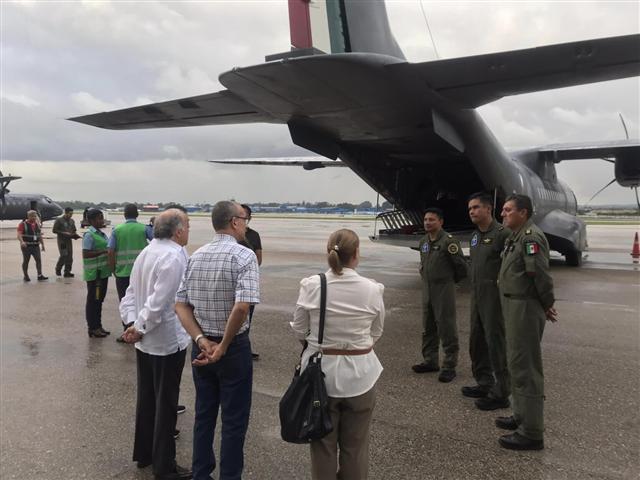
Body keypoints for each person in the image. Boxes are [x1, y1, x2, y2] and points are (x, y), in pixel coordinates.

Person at [291, 229, 384, 480]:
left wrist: (316, 345)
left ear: (329, 252)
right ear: (356, 254)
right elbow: (377, 331)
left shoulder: (312, 285)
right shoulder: (372, 290)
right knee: (355, 449)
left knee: (322, 447)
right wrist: (354, 347)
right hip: (361, 375)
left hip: (321, 376)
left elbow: (299, 329)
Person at [175, 201, 259, 480]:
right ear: (234, 222)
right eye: (245, 219)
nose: (246, 223)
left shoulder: (195, 256)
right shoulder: (244, 256)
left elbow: (181, 305)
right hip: (231, 348)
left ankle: (201, 473)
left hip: (202, 348)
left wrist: (201, 340)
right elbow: (242, 306)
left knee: (204, 415)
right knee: (234, 422)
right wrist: (222, 346)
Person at [120, 209, 192, 480]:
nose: (188, 230)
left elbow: (130, 295)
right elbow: (160, 303)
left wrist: (131, 324)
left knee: (148, 400)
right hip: (164, 342)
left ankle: (145, 454)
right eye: (187, 225)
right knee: (165, 404)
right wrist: (137, 328)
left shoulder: (147, 252)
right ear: (177, 230)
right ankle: (164, 465)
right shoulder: (173, 256)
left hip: (145, 340)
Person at [496, 194, 557, 451]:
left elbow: (540, 274)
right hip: (513, 305)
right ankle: (520, 415)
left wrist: (546, 303)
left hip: (524, 306)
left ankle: (532, 432)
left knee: (526, 367)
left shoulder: (531, 237)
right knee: (515, 362)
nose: (503, 214)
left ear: (523, 212)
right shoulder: (516, 236)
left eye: (508, 210)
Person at [462, 192, 511, 410]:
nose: (472, 211)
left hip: (495, 298)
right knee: (477, 341)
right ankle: (484, 382)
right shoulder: (475, 236)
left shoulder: (502, 234)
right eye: (470, 208)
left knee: (496, 343)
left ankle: (501, 392)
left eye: (476, 207)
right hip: (478, 297)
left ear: (488, 209)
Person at [412, 207, 467, 383]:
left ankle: (449, 365)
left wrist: (451, 282)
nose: (428, 222)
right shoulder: (424, 242)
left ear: (441, 222)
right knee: (427, 326)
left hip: (444, 288)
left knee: (446, 326)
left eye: (432, 219)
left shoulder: (449, 242)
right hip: (427, 288)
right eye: (426, 219)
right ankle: (430, 360)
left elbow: (461, 267)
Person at [108, 203, 152, 301]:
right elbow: (158, 244)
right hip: (141, 273)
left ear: (124, 215)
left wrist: (113, 269)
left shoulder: (116, 230)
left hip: (122, 273)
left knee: (125, 303)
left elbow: (110, 251)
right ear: (137, 214)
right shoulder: (145, 229)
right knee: (141, 302)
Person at [238, 204, 262, 360]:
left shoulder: (254, 235)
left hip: (247, 280)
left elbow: (259, 257)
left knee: (247, 316)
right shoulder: (230, 235)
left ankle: (244, 348)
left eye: (246, 217)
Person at [82, 208, 111, 338]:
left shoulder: (100, 233)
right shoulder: (89, 235)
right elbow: (86, 253)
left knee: (99, 300)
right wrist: (104, 252)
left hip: (102, 273)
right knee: (93, 301)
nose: (102, 220)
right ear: (92, 220)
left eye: (102, 217)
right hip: (95, 274)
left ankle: (98, 326)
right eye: (99, 218)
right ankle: (93, 328)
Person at [17, 210, 48, 282]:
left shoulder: (37, 224)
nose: (34, 217)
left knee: (38, 260)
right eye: (33, 216)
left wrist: (43, 244)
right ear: (28, 216)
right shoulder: (22, 224)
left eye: (35, 216)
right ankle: (26, 275)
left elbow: (39, 235)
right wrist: (22, 242)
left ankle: (40, 275)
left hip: (36, 246)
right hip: (26, 246)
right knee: (26, 261)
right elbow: (19, 235)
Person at [52, 207, 81, 277]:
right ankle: (58, 268)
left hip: (69, 241)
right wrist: (64, 233)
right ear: (65, 213)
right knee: (64, 255)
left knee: (69, 257)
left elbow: (74, 230)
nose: (71, 215)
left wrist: (75, 235)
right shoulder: (59, 220)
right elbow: (54, 230)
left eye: (72, 214)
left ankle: (67, 271)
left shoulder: (72, 221)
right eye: (70, 214)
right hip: (62, 241)